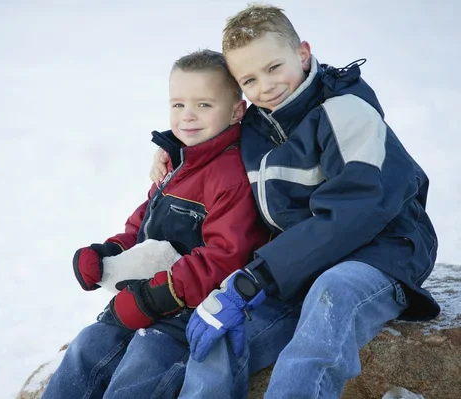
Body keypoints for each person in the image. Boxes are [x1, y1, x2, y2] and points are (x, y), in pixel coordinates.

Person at [150, 4, 439, 398]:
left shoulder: (344, 110)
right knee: (221, 330)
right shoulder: (258, 123)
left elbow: (356, 211)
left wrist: (261, 276)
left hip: (383, 250)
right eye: (248, 79)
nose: (265, 86)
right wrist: (174, 153)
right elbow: (213, 144)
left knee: (331, 294)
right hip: (301, 262)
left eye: (274, 67)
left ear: (302, 53)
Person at [41, 49, 270, 399]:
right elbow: (143, 223)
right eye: (178, 104)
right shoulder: (178, 161)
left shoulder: (231, 176)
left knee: (143, 365)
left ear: (237, 110)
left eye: (204, 105)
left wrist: (155, 297)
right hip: (141, 296)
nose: (187, 116)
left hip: (185, 314)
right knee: (88, 346)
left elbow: (225, 256)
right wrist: (108, 254)